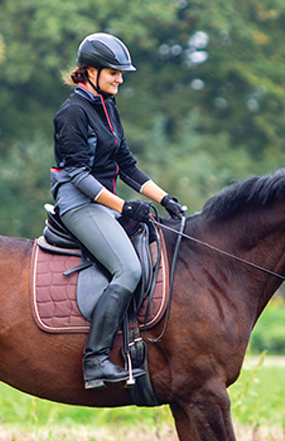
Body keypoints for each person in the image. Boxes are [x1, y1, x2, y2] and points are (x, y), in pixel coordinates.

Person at [51, 32, 185, 390]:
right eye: (114, 72)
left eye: (121, 73)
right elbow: (78, 175)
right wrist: (125, 206)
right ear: (90, 72)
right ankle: (95, 361)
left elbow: (125, 164)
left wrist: (165, 198)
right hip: (78, 203)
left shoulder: (108, 107)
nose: (120, 79)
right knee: (128, 269)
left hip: (104, 202)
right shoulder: (72, 113)